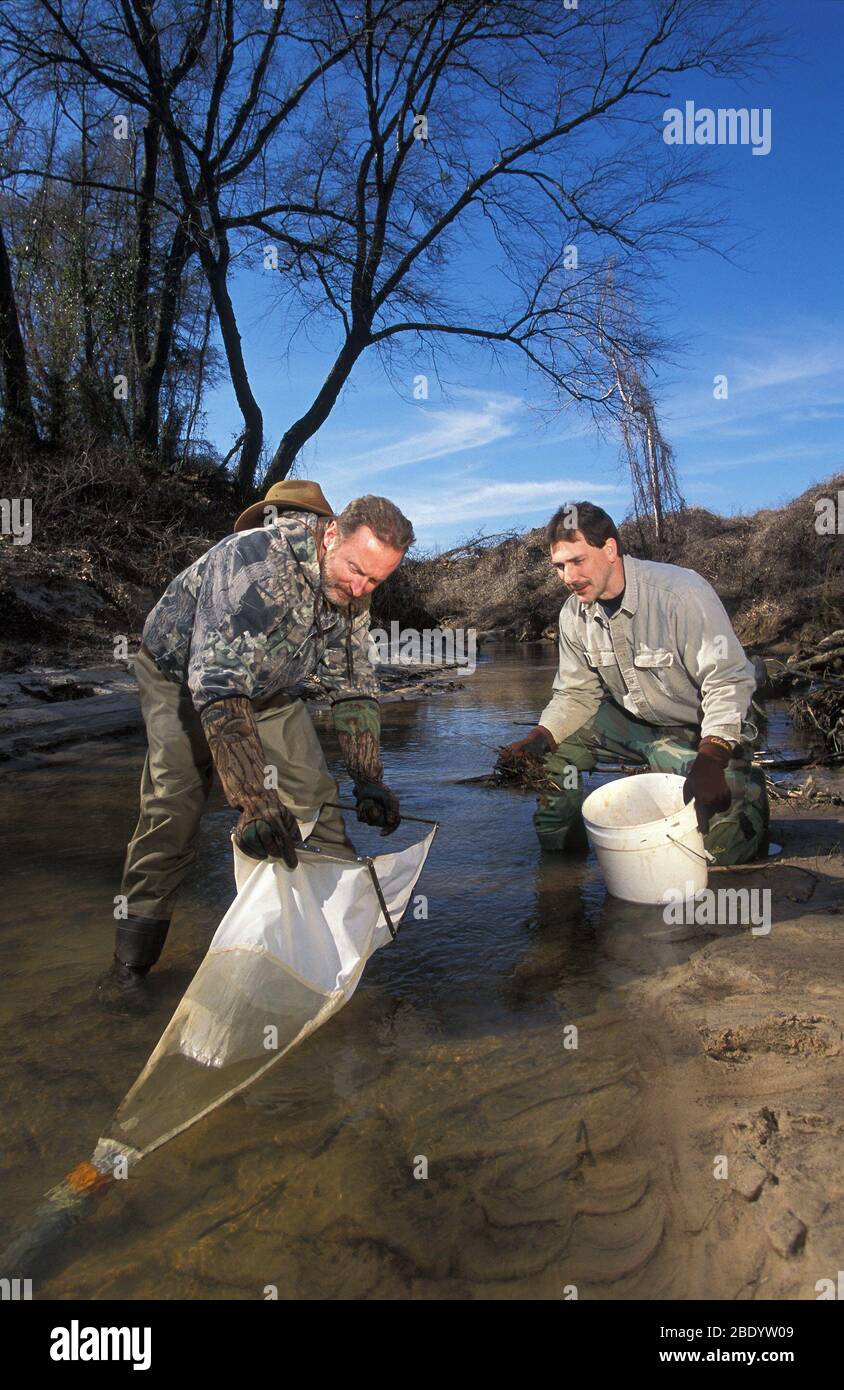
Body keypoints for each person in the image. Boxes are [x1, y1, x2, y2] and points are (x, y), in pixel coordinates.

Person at [98, 487, 414, 1008]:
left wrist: (369, 777)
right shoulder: (248, 562)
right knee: (174, 806)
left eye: (375, 580)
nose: (361, 587)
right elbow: (219, 689)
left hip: (269, 685)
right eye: (356, 570)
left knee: (314, 791)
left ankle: (333, 941)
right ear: (330, 534)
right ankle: (130, 967)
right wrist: (253, 802)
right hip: (181, 678)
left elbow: (353, 684)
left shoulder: (355, 587)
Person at [496, 501, 769, 865]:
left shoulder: (681, 593)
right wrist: (540, 737)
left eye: (577, 561)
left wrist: (714, 754)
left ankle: (748, 795)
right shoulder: (573, 615)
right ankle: (562, 867)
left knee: (718, 855)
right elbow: (576, 693)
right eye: (559, 566)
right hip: (633, 723)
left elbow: (728, 680)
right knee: (558, 753)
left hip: (703, 728)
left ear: (610, 549)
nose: (568, 577)